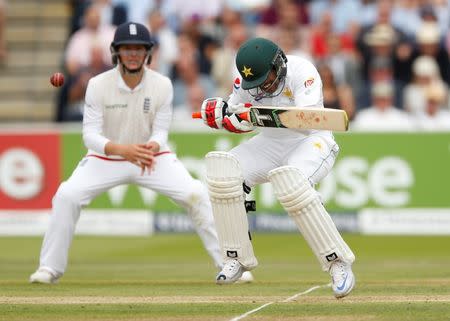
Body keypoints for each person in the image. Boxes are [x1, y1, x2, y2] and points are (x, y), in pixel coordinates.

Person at [29, 22, 238, 284]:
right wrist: (123, 150)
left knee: (195, 193)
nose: (132, 54)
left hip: (149, 157)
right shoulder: (97, 84)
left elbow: (161, 132)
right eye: (126, 49)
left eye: (138, 49)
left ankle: (229, 265)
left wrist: (152, 146)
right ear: (116, 52)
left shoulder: (162, 85)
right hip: (106, 157)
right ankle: (50, 268)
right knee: (66, 195)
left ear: (147, 53)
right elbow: (90, 136)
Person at [198, 37, 355, 298]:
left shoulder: (303, 71)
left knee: (291, 182)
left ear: (279, 63)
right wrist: (220, 115)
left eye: (266, 80)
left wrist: (247, 115)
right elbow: (240, 121)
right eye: (254, 85)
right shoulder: (246, 82)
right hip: (270, 143)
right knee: (224, 170)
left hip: (311, 139)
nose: (261, 89)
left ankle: (338, 263)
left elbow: (303, 120)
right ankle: (235, 256)